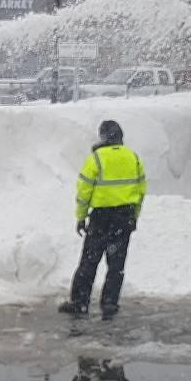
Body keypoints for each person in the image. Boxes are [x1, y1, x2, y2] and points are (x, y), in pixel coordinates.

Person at [59, 119, 146, 319]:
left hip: (101, 218)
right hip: (124, 218)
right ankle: (109, 303)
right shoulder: (133, 157)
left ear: (103, 136)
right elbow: (141, 190)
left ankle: (80, 303)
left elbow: (83, 190)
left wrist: (81, 217)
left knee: (89, 263)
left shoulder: (96, 158)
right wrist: (134, 215)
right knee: (116, 266)